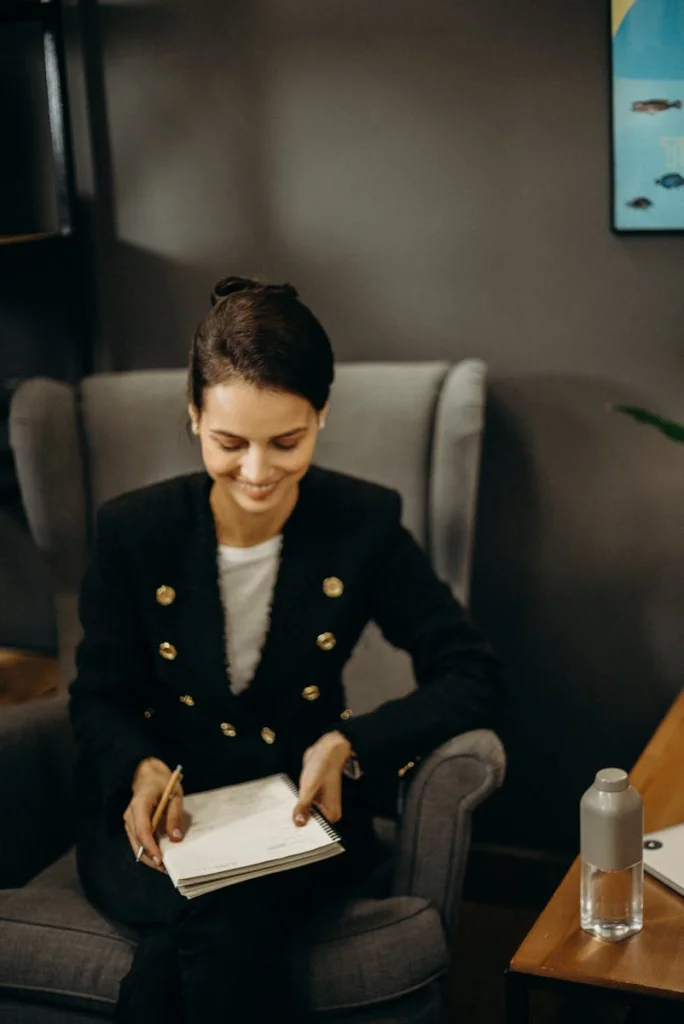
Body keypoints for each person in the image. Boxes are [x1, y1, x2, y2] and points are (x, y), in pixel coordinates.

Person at [69, 276, 501, 1023]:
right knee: (221, 923)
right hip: (163, 824)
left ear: (322, 415)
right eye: (229, 443)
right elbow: (98, 693)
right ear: (193, 415)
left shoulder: (362, 522)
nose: (258, 472)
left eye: (288, 441)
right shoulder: (134, 531)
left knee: (213, 926)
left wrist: (350, 744)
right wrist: (135, 768)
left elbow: (471, 671)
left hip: (301, 819)